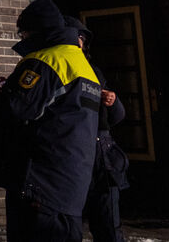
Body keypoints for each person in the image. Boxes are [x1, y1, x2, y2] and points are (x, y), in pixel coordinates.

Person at [0, 0, 101, 242]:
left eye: (23, 33)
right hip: (70, 185)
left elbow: (15, 111)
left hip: (39, 184)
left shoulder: (45, 61)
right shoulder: (82, 65)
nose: (22, 39)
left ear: (35, 32)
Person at [65, 16, 130, 242]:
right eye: (77, 38)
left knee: (108, 225)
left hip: (102, 157)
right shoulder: (60, 68)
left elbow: (116, 117)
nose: (79, 43)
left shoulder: (93, 71)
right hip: (74, 156)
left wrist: (113, 101)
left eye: (82, 40)